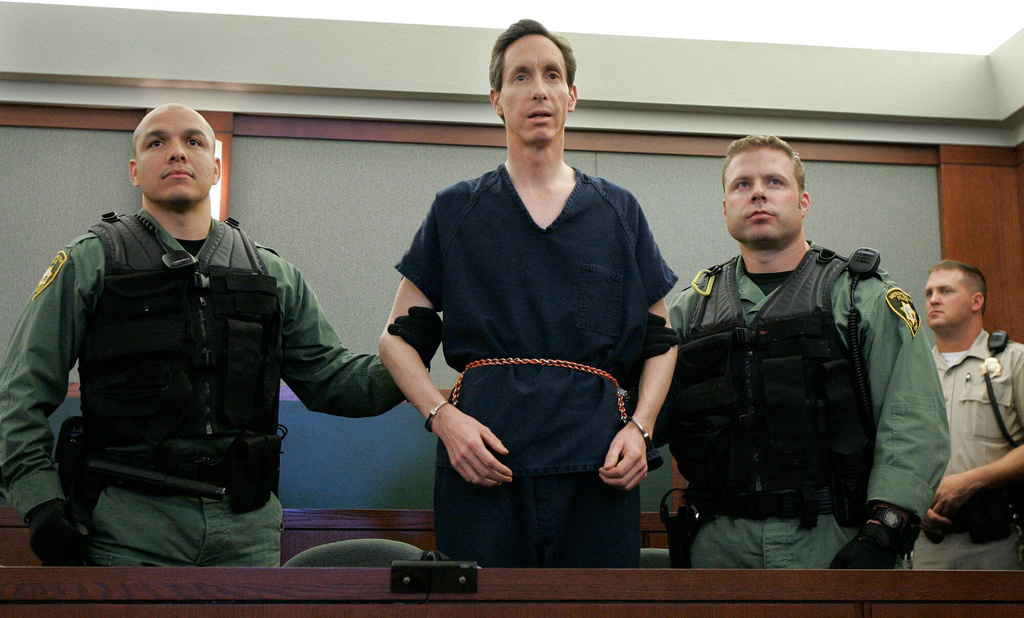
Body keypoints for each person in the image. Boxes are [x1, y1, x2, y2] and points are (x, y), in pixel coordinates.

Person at [0, 104, 423, 567]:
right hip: (126, 528)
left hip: (246, 528)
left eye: (194, 141)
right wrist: (39, 501)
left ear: (216, 167)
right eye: (157, 142)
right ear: (134, 171)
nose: (177, 152)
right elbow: (20, 393)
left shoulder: (271, 274)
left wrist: (409, 352)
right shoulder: (89, 263)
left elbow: (335, 382)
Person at [379, 19, 679, 568]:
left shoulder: (618, 212)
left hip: (599, 468)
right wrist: (443, 419)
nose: (537, 88)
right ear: (497, 99)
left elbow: (661, 341)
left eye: (551, 75)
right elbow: (396, 341)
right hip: (483, 462)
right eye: (520, 76)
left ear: (571, 97)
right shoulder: (457, 210)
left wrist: (641, 429)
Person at [657, 134, 948, 569]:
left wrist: (886, 529)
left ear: (803, 201)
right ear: (724, 208)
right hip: (717, 546)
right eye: (741, 184)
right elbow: (643, 413)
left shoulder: (860, 298)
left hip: (832, 540)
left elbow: (913, 421)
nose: (757, 192)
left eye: (775, 182)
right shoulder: (688, 312)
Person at [913, 260, 1024, 569]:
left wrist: (971, 481)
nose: (933, 299)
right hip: (929, 539)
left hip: (997, 538)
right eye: (929, 292)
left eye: (946, 291)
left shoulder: (1014, 361)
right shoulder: (912, 371)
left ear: (977, 301)